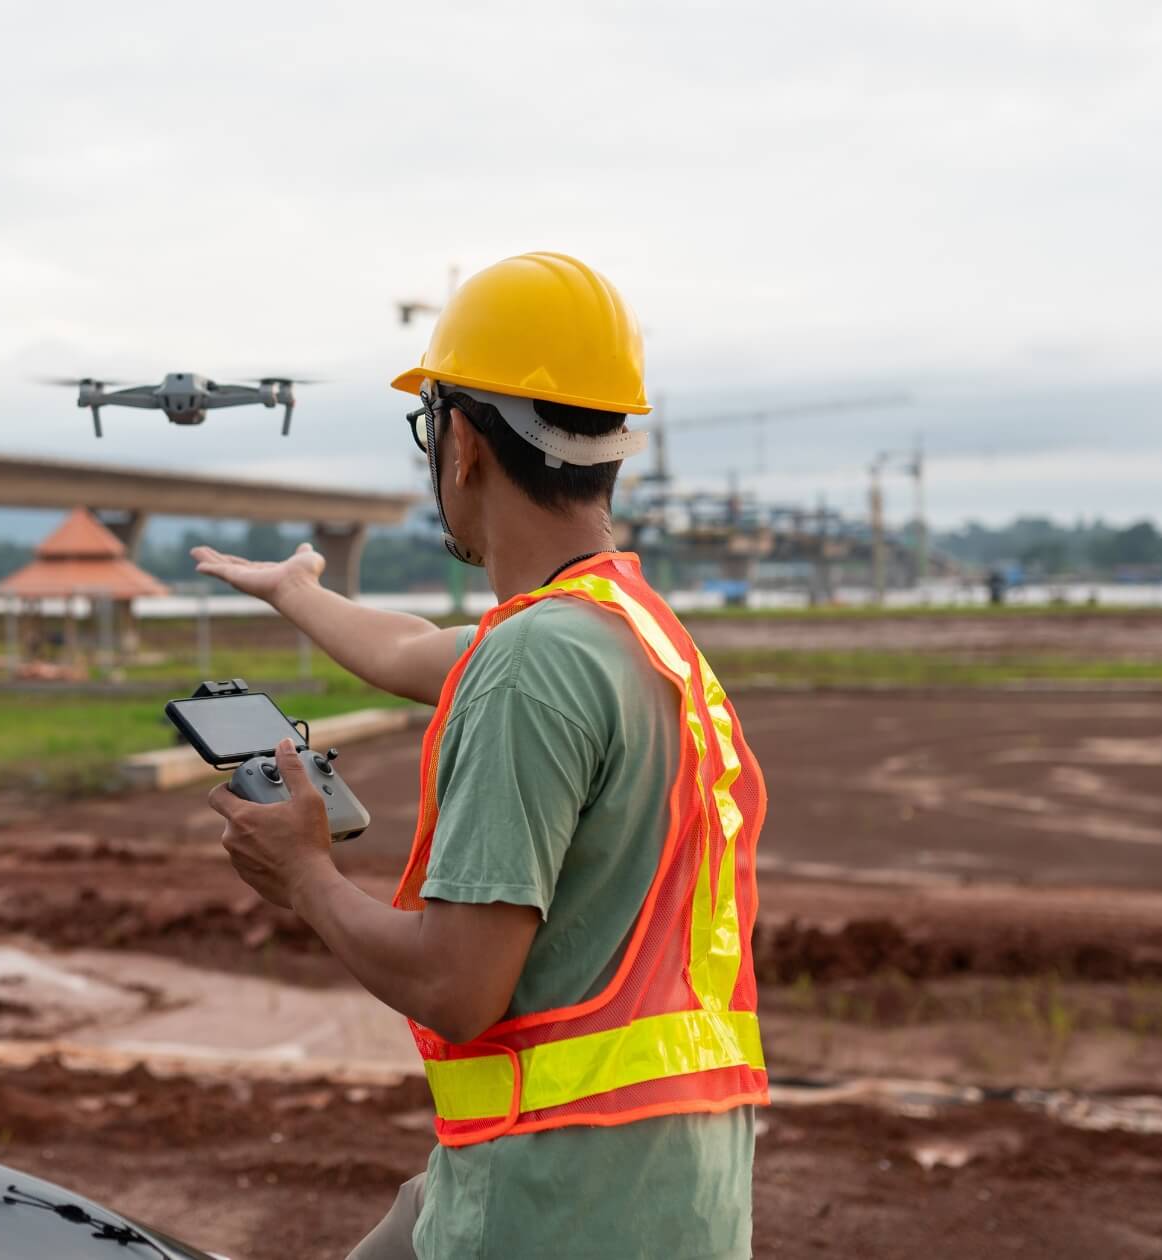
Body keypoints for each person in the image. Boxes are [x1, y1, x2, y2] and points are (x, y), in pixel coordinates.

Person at [192, 252, 765, 1259]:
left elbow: (458, 987)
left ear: (460, 442)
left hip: (559, 1201)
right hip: (670, 1190)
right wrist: (297, 591)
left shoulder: (533, 663)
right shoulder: (627, 631)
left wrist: (306, 876)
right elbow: (418, 651)